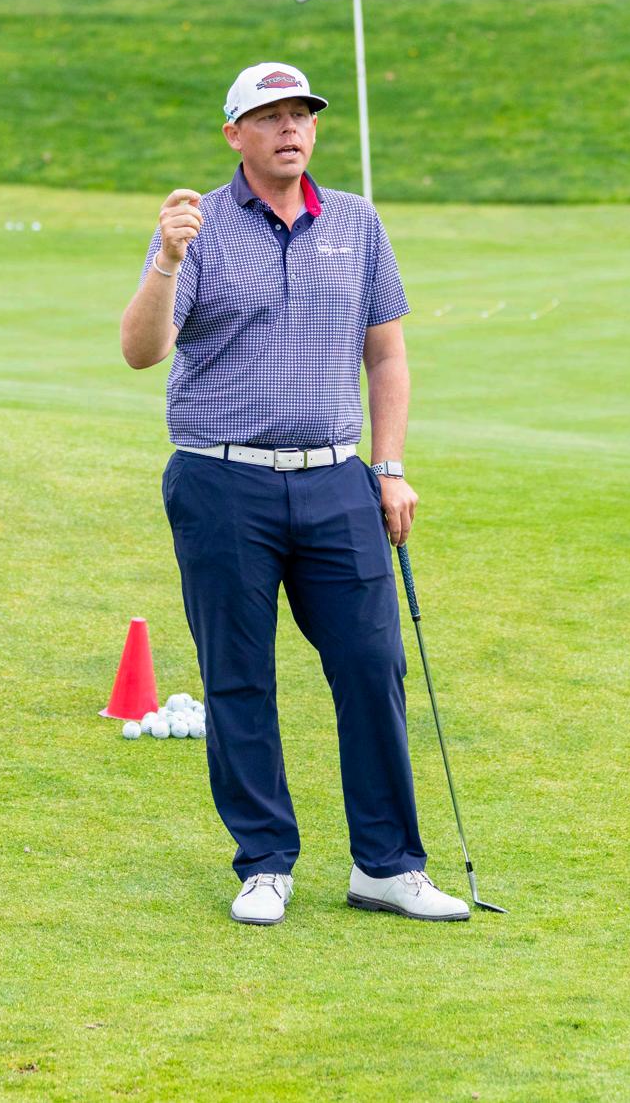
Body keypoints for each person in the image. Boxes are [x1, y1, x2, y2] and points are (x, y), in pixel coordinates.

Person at [120, 62, 468, 926]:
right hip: (220, 478)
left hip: (337, 479)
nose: (290, 129)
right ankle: (265, 862)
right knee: (239, 674)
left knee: (372, 663)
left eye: (302, 114)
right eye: (270, 116)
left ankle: (387, 865)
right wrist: (166, 258)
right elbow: (141, 349)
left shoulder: (355, 221)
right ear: (234, 133)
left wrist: (389, 466)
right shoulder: (196, 226)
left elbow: (385, 353)